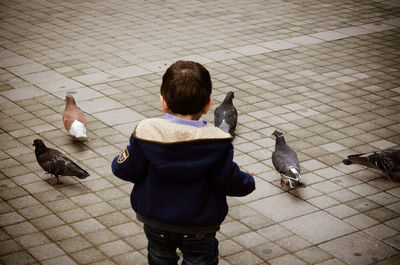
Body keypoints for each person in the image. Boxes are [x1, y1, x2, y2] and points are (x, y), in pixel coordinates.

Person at [111, 60, 255, 265]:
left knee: (160, 258)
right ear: (208, 105)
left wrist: (118, 161)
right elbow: (228, 180)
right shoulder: (216, 142)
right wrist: (248, 181)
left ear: (163, 102)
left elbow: (124, 169)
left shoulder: (146, 133)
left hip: (156, 221)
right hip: (198, 227)